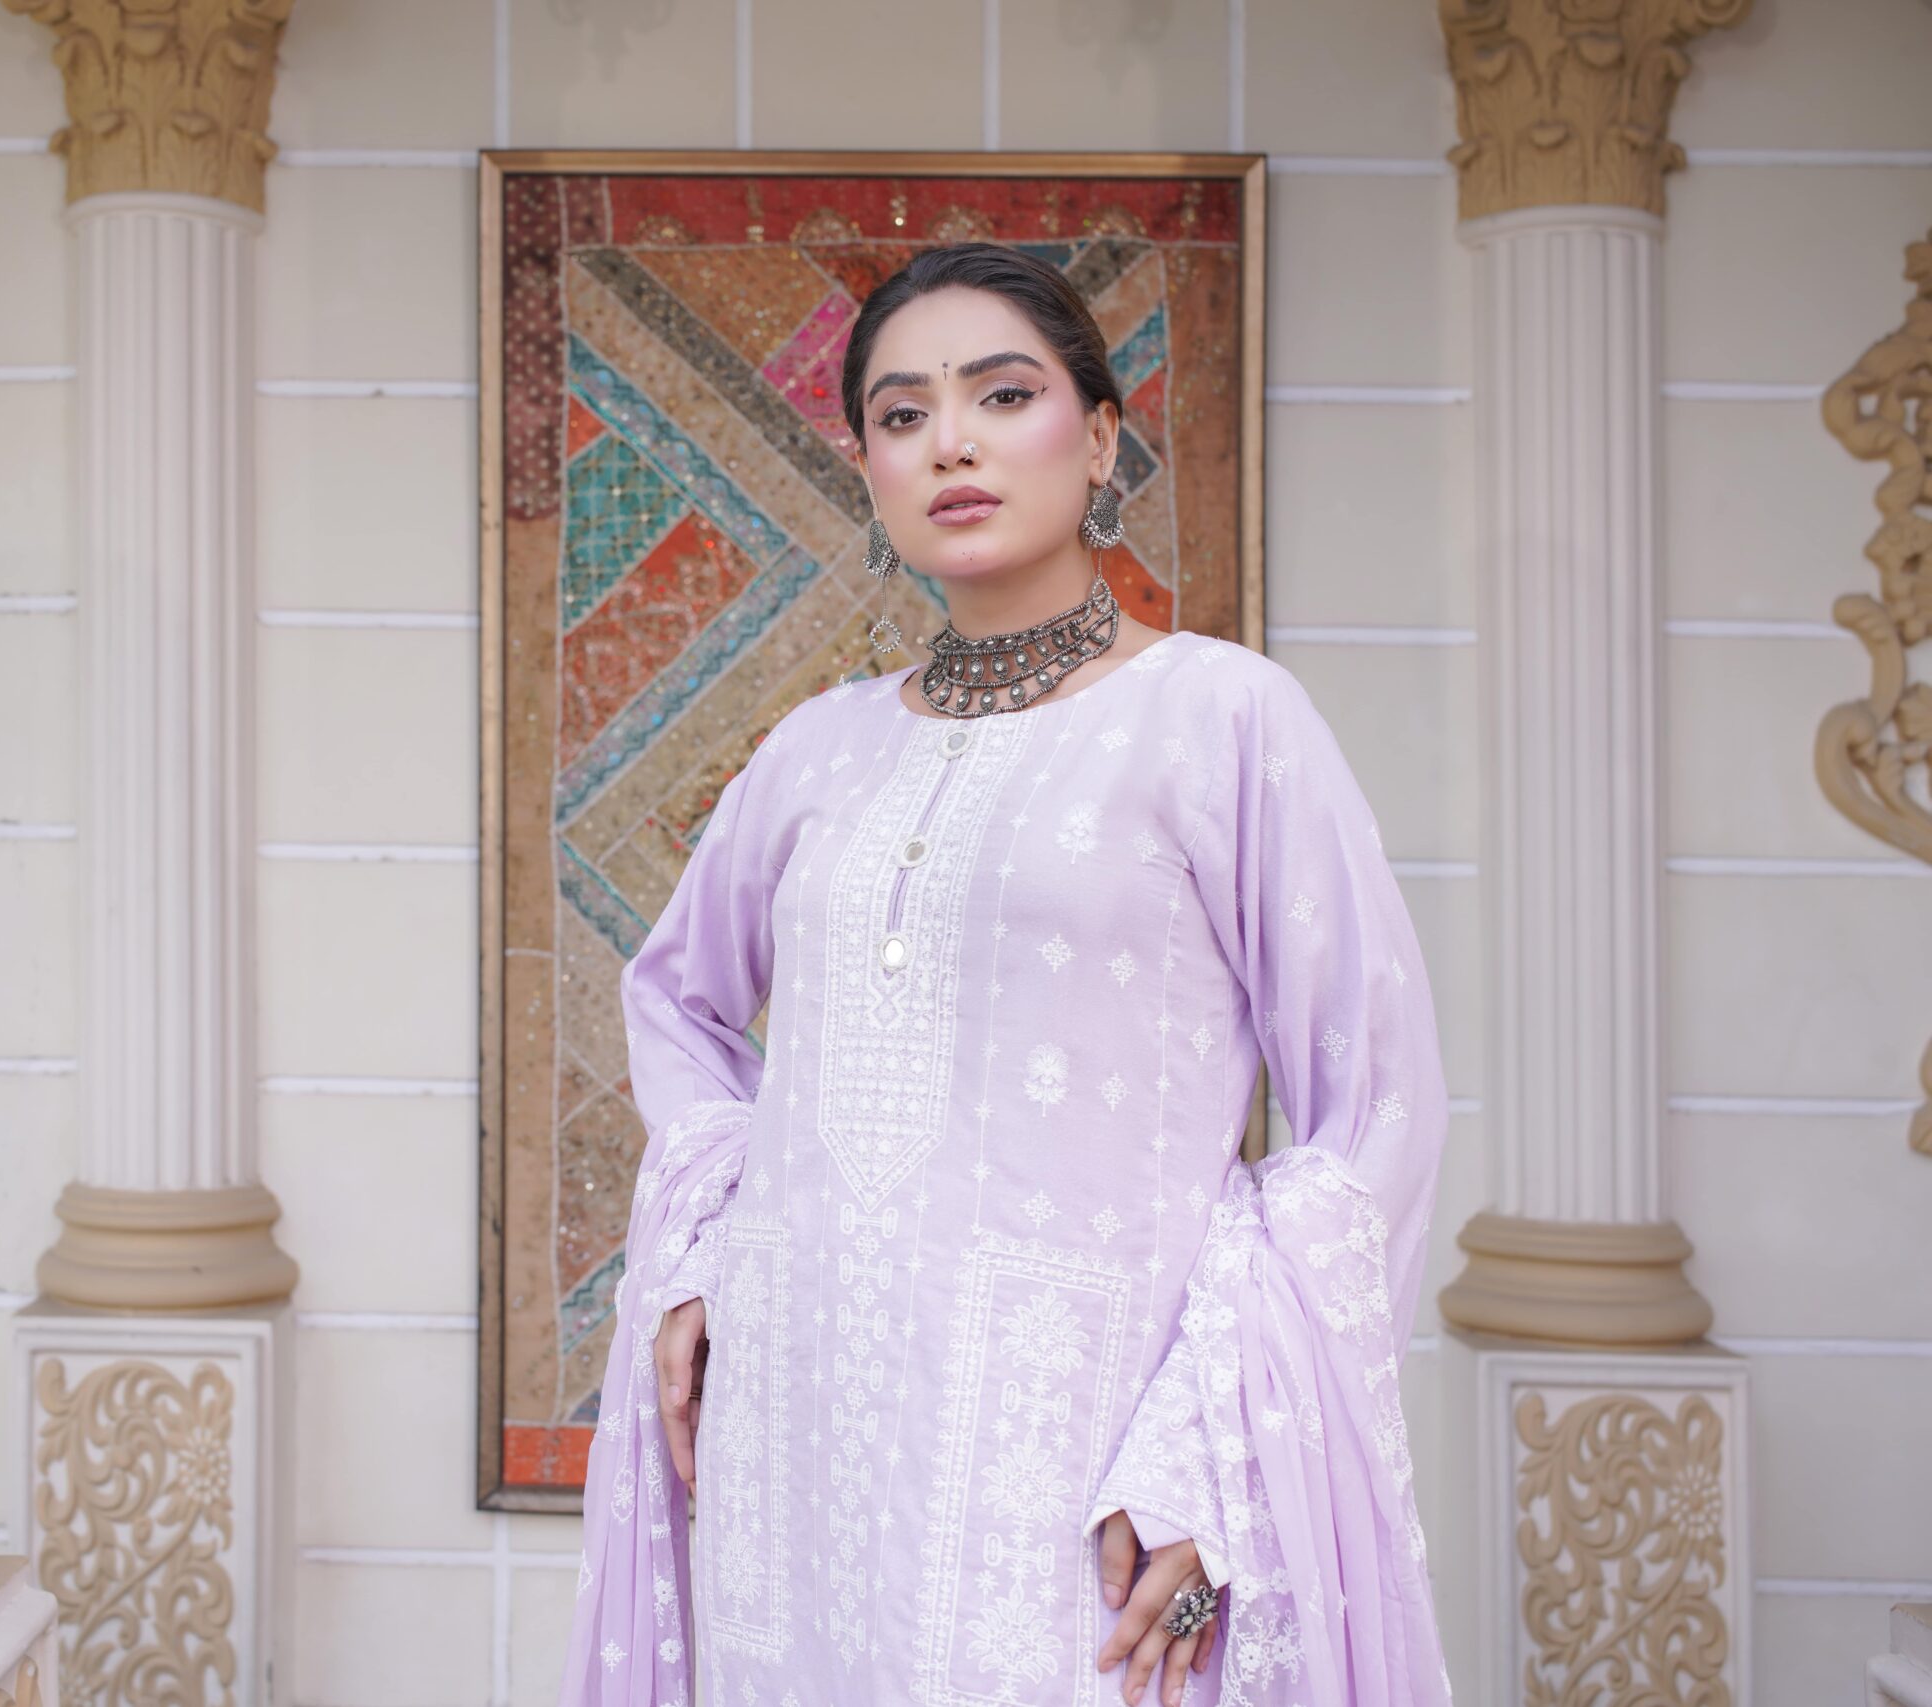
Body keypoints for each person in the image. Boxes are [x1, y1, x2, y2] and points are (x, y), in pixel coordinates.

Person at [556, 242, 1452, 1707]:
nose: (950, 442)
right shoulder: (817, 752)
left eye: (1003, 394)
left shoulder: (1221, 717)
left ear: (1099, 438)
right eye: (902, 415)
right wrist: (706, 1251)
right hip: (800, 1445)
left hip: (1082, 1456)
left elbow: (1376, 1114)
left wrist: (1215, 1452)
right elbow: (676, 1001)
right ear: (866, 468)